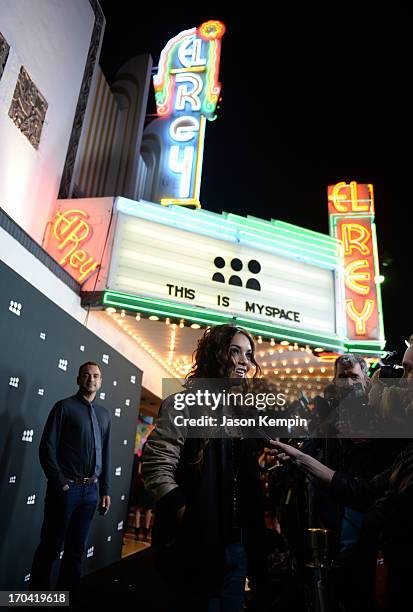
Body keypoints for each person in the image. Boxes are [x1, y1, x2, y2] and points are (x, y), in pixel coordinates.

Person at [142, 324, 267, 612]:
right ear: (215, 354)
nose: (245, 361)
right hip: (194, 547)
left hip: (236, 546)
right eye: (235, 351)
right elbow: (156, 466)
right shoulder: (184, 403)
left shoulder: (241, 414)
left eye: (248, 354)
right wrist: (190, 518)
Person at [30, 362, 111, 597]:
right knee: (51, 548)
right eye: (86, 375)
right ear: (78, 379)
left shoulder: (105, 415)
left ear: (101, 381)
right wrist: (61, 484)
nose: (91, 379)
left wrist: (105, 489)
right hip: (66, 490)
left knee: (76, 550)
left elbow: (105, 454)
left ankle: (67, 599)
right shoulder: (63, 407)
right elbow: (47, 448)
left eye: (96, 376)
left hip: (91, 492)